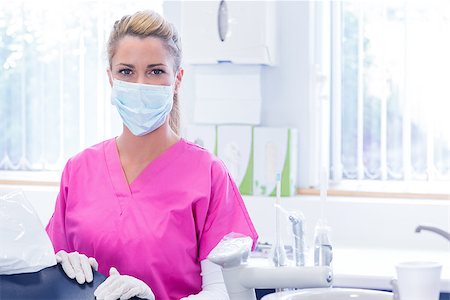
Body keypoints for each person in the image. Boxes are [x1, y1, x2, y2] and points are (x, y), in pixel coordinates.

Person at [45, 10, 258, 300]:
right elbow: (46, 270)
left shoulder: (207, 173)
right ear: (111, 78)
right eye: (126, 71)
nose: (140, 84)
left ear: (177, 80)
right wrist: (58, 267)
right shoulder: (79, 170)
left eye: (156, 71)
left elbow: (225, 292)